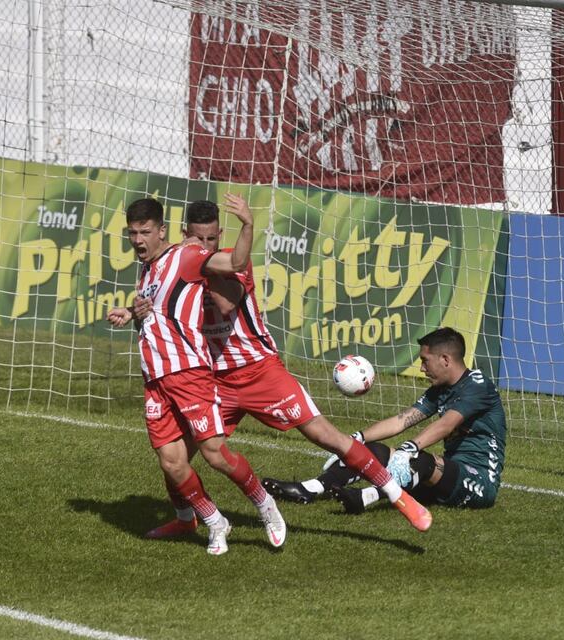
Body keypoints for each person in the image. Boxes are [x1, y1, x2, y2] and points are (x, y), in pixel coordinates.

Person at [140, 197, 432, 537]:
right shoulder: (175, 264)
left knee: (327, 436)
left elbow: (226, 302)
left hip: (260, 371)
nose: (205, 246)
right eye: (198, 239)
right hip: (212, 378)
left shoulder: (229, 262)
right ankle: (185, 518)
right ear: (184, 233)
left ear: (220, 234)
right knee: (174, 457)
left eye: (211, 239)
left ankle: (399, 496)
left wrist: (200, 262)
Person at [107, 194, 286, 555]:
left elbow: (235, 262)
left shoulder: (186, 257)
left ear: (162, 231)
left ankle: (266, 505)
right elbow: (157, 313)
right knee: (172, 463)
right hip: (156, 379)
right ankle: (215, 521)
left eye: (144, 232)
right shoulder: (147, 270)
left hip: (189, 373)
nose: (138, 240)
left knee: (215, 454)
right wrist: (132, 312)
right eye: (132, 233)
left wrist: (248, 224)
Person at [262, 327, 507, 514]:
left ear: (445, 359)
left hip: (478, 483)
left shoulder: (477, 386)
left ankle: (364, 498)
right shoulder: (441, 388)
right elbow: (402, 421)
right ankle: (309, 489)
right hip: (445, 479)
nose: (422, 368)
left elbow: (447, 425)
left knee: (419, 460)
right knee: (370, 451)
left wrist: (409, 448)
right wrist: (357, 439)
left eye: (425, 360)